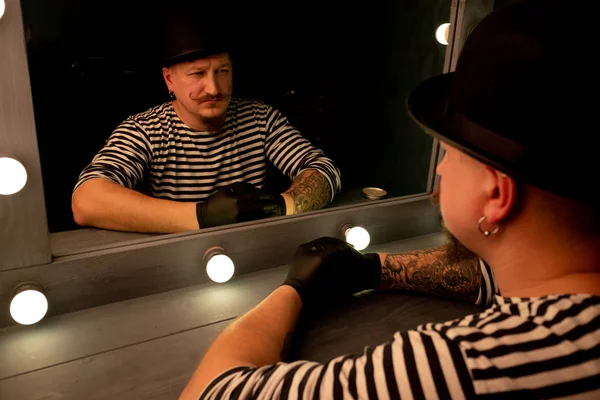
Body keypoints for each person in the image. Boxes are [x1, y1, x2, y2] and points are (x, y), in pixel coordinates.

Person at [178, 0, 600, 398]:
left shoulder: (468, 366)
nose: (438, 170)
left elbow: (214, 389)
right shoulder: (569, 290)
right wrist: (371, 268)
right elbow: (489, 276)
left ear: (495, 195)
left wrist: (293, 290)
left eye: (449, 152)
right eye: (197, 73)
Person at [71, 4, 341, 234]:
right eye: (197, 74)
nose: (213, 88)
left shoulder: (261, 119)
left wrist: (281, 206)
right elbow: (86, 201)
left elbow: (324, 170)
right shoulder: (144, 130)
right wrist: (203, 216)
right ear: (169, 79)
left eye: (222, 71)